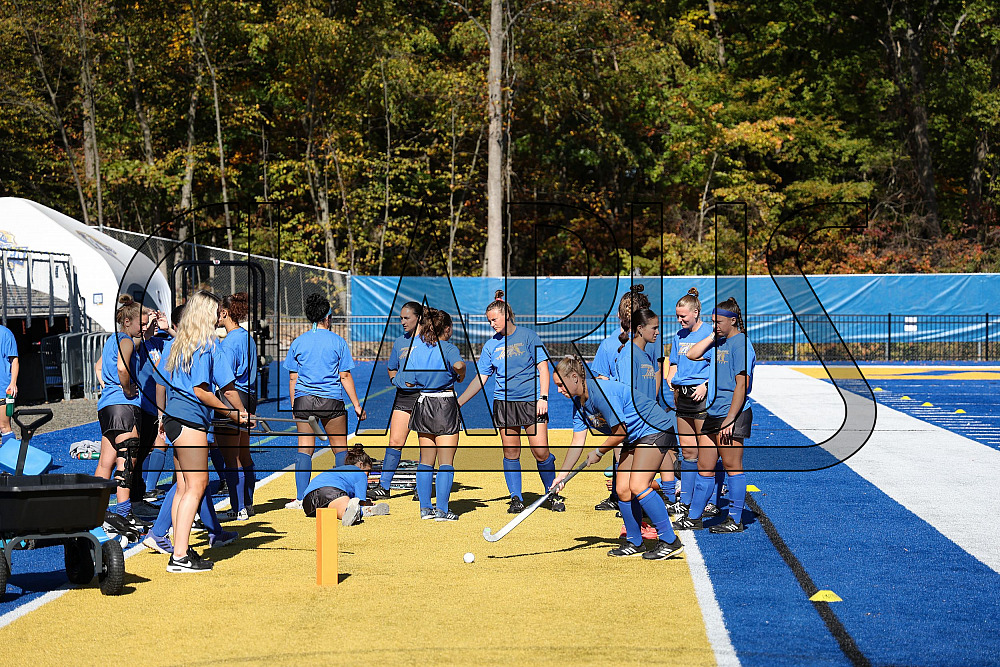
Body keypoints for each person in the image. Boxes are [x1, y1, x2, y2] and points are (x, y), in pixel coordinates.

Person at [551, 355, 684, 560]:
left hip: (654, 429)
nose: (559, 390)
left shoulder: (601, 393)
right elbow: (577, 442)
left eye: (561, 385)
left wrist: (599, 452)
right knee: (622, 489)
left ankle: (669, 540)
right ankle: (634, 541)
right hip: (635, 435)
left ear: (575, 377)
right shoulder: (579, 404)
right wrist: (561, 475)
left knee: (639, 485)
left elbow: (620, 432)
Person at [159, 291, 249, 572]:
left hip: (174, 419)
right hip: (189, 421)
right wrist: (236, 413)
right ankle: (180, 557)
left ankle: (179, 549)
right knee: (197, 486)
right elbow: (207, 390)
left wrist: (238, 413)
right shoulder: (206, 344)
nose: (218, 316)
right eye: (215, 311)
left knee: (184, 487)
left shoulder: (179, 343)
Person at [457, 290, 561, 514]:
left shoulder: (528, 336)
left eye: (494, 319)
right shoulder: (489, 346)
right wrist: (459, 402)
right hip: (504, 404)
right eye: (489, 321)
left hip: (532, 402)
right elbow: (481, 378)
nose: (492, 324)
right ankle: (516, 498)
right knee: (511, 452)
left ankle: (551, 493)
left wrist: (543, 397)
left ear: (506, 315)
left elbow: (543, 367)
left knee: (541, 451)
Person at [674, 297, 756, 533]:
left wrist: (730, 419)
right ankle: (695, 517)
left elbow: (742, 386)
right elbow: (691, 355)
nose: (715, 326)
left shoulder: (741, 344)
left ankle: (735, 519)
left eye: (718, 322)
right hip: (714, 411)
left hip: (733, 413)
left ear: (733, 320)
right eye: (712, 322)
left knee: (733, 467)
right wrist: (712, 336)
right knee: (704, 465)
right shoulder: (718, 342)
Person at [284, 293, 366, 509]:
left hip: (303, 400)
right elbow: (345, 376)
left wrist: (295, 405)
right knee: (340, 449)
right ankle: (343, 493)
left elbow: (293, 377)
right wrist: (357, 405)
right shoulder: (337, 341)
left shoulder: (298, 342)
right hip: (331, 401)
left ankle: (301, 497)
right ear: (327, 316)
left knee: (304, 450)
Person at [592, 285, 651, 512]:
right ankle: (623, 496)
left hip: (624, 412)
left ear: (618, 315)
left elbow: (600, 380)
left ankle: (627, 498)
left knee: (623, 456)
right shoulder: (648, 342)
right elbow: (656, 374)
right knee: (634, 458)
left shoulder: (608, 344)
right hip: (639, 410)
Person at [406, 309, 466, 520]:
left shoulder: (418, 350)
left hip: (423, 404)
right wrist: (461, 373)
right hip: (444, 405)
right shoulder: (449, 348)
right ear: (447, 329)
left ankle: (425, 508)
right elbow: (458, 365)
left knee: (426, 460)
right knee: (446, 461)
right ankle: (442, 509)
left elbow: (409, 380)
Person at [94, 295, 145, 532]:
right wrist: (125, 388)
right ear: (127, 321)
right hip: (124, 406)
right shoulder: (125, 340)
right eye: (140, 324)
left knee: (106, 461)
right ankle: (123, 515)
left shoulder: (109, 341)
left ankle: (96, 511)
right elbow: (123, 367)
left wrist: (107, 386)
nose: (142, 328)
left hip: (106, 406)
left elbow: (98, 366)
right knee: (127, 460)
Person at [666, 288, 717, 516]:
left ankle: (710, 500)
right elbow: (674, 362)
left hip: (702, 397)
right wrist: (671, 377)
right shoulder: (678, 336)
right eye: (678, 316)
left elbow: (719, 365)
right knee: (688, 452)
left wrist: (706, 384)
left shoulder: (711, 333)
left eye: (683, 316)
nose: (680, 320)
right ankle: (685, 500)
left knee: (708, 454)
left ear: (696, 312)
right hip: (682, 396)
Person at [371, 301, 423, 500]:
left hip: (424, 397)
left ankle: (422, 486)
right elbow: (392, 366)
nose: (402, 322)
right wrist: (395, 380)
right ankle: (384, 487)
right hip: (403, 397)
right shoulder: (400, 342)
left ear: (418, 317)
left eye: (406, 318)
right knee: (395, 441)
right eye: (401, 318)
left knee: (425, 445)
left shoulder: (430, 341)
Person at [216, 293, 258, 521]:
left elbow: (226, 380)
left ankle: (238, 507)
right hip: (249, 394)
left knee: (231, 458)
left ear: (224, 313)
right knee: (244, 454)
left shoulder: (229, 343)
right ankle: (248, 504)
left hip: (233, 398)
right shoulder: (247, 337)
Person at [302, 445, 388, 525]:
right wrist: (366, 503)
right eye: (368, 471)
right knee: (345, 508)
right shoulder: (360, 474)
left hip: (308, 503)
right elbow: (361, 501)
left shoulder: (338, 472)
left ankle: (364, 511)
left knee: (334, 505)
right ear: (361, 465)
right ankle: (353, 512)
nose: (368, 475)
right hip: (330, 491)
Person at [0, 323, 19, 445]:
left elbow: (14, 360)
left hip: (2, 388)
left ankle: (12, 459)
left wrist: (13, 383)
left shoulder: (5, 333)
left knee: (4, 426)